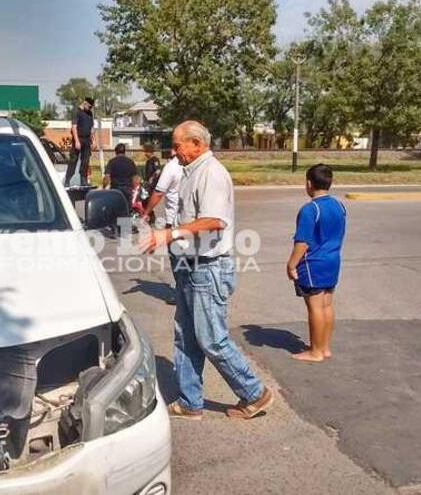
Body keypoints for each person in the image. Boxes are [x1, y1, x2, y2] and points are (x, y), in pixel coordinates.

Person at [141, 120, 273, 420]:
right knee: (185, 336)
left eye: (178, 145)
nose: (174, 152)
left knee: (212, 338)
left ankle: (254, 393)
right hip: (192, 265)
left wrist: (169, 234)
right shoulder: (191, 172)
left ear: (197, 144)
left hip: (209, 268)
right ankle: (190, 402)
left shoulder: (211, 173)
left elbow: (214, 220)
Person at [286, 163, 347, 363]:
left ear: (309, 183)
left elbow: (303, 242)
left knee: (315, 307)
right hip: (333, 260)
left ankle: (316, 352)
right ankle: (324, 347)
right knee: (327, 304)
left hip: (314, 263)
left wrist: (291, 264)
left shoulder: (310, 209)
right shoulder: (339, 205)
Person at [143, 149, 183, 229]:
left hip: (173, 217)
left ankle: (151, 217)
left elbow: (158, 193)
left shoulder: (170, 166)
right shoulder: (193, 165)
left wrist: (146, 213)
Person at [64, 97, 96, 187]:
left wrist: (94, 141)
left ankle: (83, 180)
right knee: (73, 161)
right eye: (89, 106)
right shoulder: (77, 112)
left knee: (85, 162)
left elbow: (92, 129)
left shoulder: (89, 113)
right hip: (78, 139)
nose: (90, 109)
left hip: (87, 140)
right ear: (85, 103)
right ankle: (67, 180)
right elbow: (74, 127)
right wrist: (77, 141)